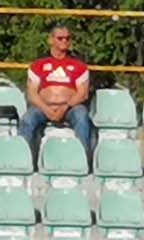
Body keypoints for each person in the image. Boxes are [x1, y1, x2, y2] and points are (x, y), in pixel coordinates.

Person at [22, 24, 94, 160]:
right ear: (51, 40)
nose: (64, 41)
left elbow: (82, 93)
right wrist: (46, 109)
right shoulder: (38, 65)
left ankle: (83, 160)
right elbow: (32, 93)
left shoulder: (79, 66)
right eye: (60, 38)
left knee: (82, 115)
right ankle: (24, 159)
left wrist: (65, 106)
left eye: (67, 38)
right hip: (43, 107)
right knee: (28, 119)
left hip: (70, 107)